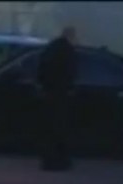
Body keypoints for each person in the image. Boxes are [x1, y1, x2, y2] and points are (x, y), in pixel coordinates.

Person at [37, 26, 78, 171]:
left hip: (49, 93)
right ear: (70, 36)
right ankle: (60, 161)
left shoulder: (51, 48)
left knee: (49, 129)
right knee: (60, 128)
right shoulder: (68, 51)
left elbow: (41, 68)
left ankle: (48, 160)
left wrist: (43, 85)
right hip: (61, 94)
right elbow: (71, 73)